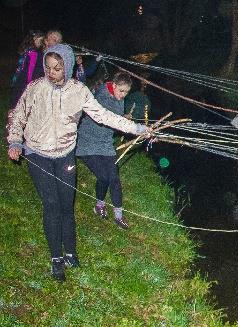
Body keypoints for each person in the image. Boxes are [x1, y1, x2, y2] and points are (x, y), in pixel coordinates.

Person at [6, 44, 150, 281]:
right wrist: (14, 141)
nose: (51, 72)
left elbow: (104, 116)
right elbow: (18, 115)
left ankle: (71, 251)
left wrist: (137, 128)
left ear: (68, 67)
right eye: (48, 67)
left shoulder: (79, 91)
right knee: (51, 206)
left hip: (65, 155)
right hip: (37, 154)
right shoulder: (35, 88)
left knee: (66, 205)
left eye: (57, 68)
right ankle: (56, 258)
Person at [76, 72, 134, 230]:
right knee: (103, 177)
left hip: (105, 143)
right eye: (121, 91)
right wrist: (126, 123)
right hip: (87, 142)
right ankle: (99, 205)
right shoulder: (101, 96)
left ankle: (119, 216)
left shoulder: (118, 98)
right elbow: (109, 119)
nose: (123, 95)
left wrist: (123, 118)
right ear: (113, 85)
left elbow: (116, 122)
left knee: (114, 178)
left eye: (126, 92)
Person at [10, 30, 45, 108]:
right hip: (25, 81)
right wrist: (29, 83)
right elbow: (31, 69)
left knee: (17, 102)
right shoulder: (34, 53)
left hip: (19, 79)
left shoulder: (26, 50)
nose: (41, 43)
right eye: (40, 41)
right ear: (35, 39)